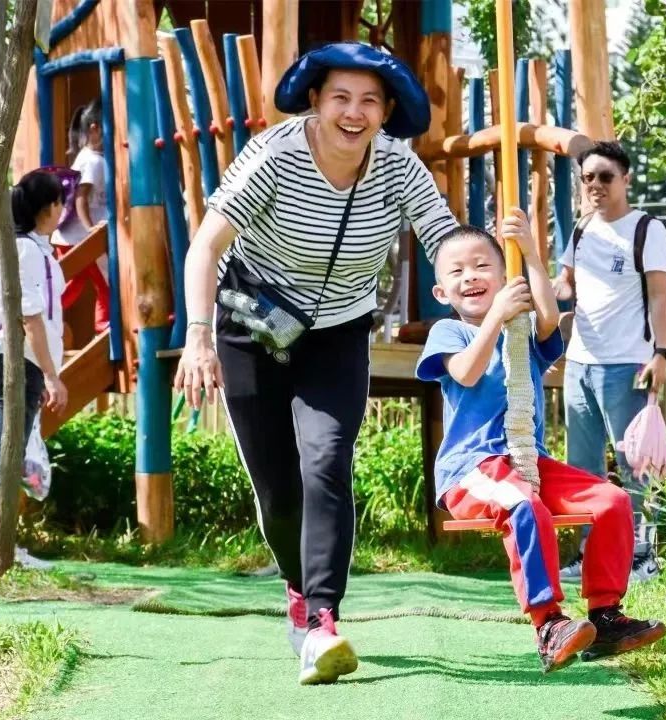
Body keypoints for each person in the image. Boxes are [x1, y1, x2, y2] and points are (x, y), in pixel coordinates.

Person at [173, 42, 457, 686]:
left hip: (338, 333)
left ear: (387, 113)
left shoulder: (398, 168)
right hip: (251, 323)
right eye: (340, 98)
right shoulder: (274, 155)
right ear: (315, 101)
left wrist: (478, 283)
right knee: (277, 487)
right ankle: (296, 585)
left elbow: (443, 237)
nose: (353, 114)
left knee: (326, 459)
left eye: (369, 102)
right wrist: (197, 337)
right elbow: (206, 246)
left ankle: (323, 618)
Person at [416, 215, 666, 673]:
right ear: (442, 293)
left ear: (503, 277)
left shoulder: (520, 331)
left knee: (611, 501)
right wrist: (497, 313)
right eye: (457, 271)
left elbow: (550, 319)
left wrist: (531, 251)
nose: (470, 276)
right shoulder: (448, 333)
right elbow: (466, 372)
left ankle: (605, 617)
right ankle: (548, 623)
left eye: (481, 266)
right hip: (473, 471)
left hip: (528, 463)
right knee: (524, 506)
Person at [553, 141, 666, 584]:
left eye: (605, 176)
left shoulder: (646, 229)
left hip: (629, 363)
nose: (596, 185)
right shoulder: (583, 229)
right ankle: (589, 552)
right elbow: (565, 286)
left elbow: (660, 298)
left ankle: (643, 557)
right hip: (580, 362)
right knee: (581, 466)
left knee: (635, 464)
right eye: (588, 178)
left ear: (625, 179)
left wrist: (661, 353)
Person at [0, 171, 69, 567]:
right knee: (4, 454)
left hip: (22, 359)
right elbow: (31, 316)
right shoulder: (27, 251)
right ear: (46, 209)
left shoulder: (35, 249)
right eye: (59, 202)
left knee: (8, 453)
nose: (62, 208)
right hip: (16, 358)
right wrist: (53, 376)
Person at [53, 100, 111, 334]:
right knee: (104, 283)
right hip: (81, 238)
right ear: (95, 129)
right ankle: (103, 325)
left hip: (72, 237)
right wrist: (90, 228)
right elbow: (81, 197)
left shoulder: (94, 158)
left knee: (75, 285)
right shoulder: (92, 160)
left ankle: (45, 315)